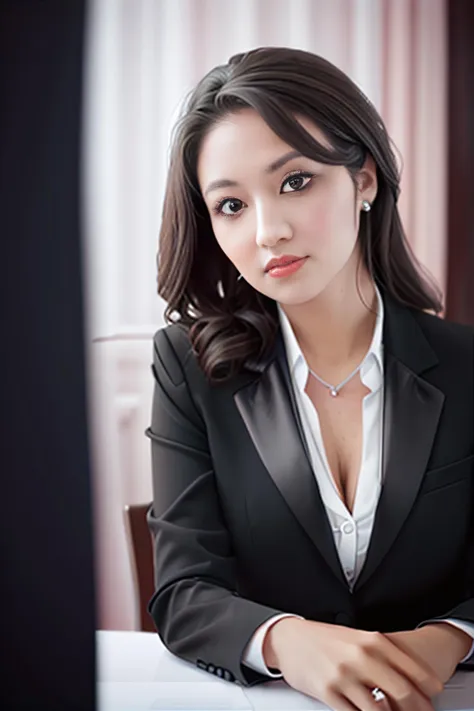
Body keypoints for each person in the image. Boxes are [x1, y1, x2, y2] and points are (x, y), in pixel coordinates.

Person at [145, 47, 474, 711]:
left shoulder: (467, 365)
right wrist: (288, 641)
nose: (269, 231)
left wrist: (449, 637)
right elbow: (183, 592)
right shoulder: (188, 366)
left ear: (365, 181)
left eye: (295, 181)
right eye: (231, 204)